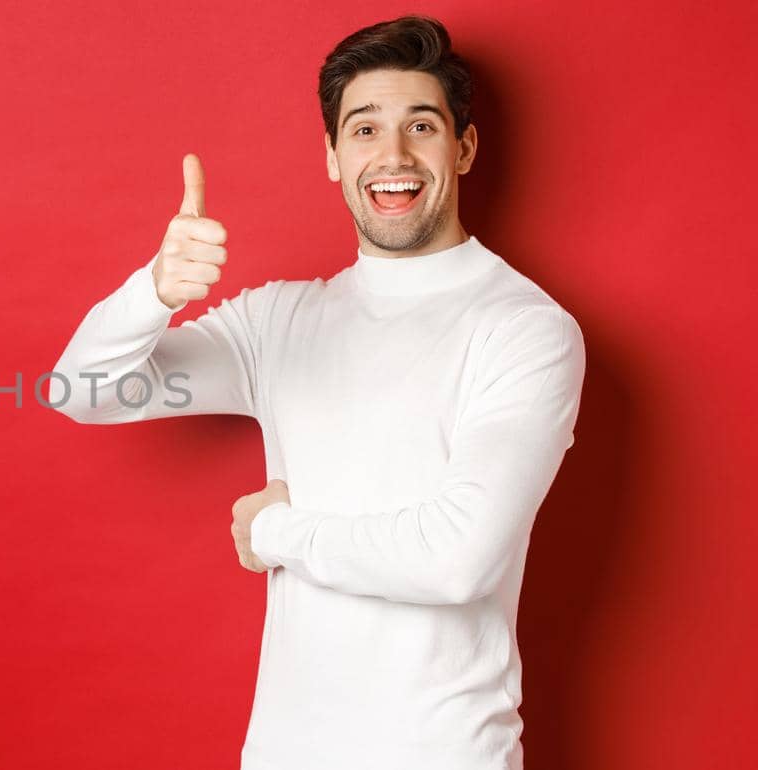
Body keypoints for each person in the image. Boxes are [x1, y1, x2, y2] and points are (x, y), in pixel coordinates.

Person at [46, 15, 584, 770]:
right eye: (363, 131)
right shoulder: (280, 320)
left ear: (461, 148)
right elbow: (80, 391)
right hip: (283, 752)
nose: (391, 156)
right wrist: (155, 293)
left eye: (420, 126)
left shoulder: (525, 329)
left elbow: (458, 559)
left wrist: (276, 535)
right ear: (332, 156)